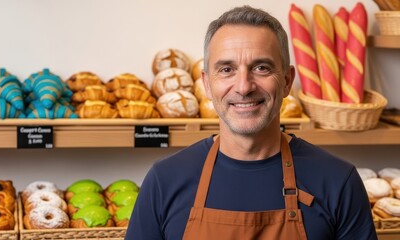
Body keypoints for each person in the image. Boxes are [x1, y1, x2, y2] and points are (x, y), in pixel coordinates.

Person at [125, 5, 377, 240]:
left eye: (261, 68)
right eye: (226, 69)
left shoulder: (338, 181)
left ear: (287, 81)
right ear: (207, 84)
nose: (244, 87)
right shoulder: (164, 180)